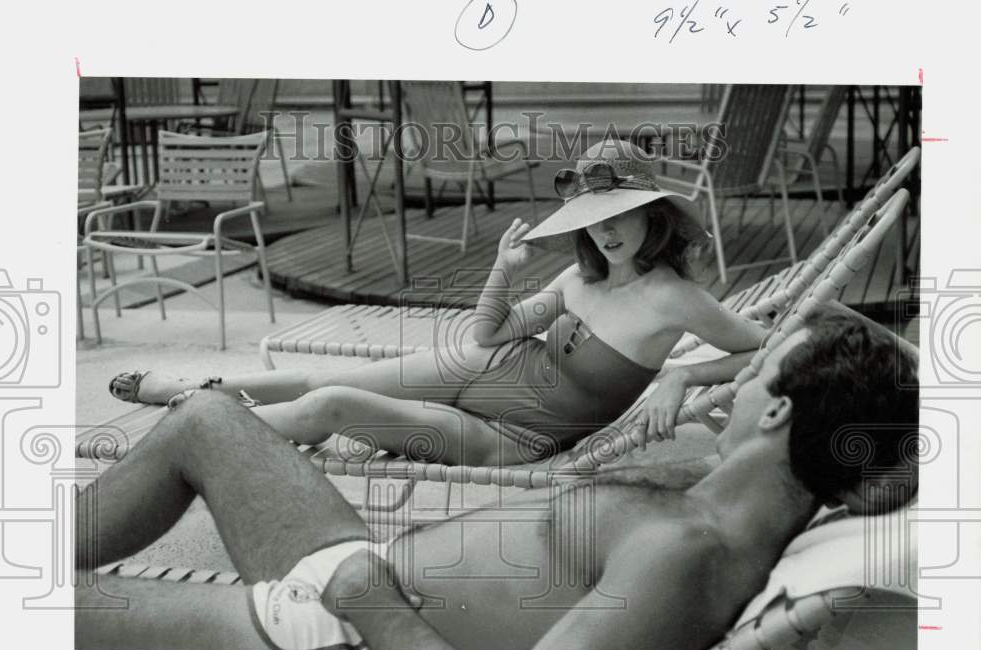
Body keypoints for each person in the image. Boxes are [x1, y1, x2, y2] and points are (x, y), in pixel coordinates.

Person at [75, 306, 918, 650]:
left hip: (344, 636)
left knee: (50, 609)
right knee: (207, 418)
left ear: (778, 417)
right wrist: (679, 383)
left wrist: (369, 600)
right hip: (358, 575)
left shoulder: (690, 552)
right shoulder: (721, 493)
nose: (727, 381)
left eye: (756, 371)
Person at [105, 139, 767, 466]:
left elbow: (761, 346)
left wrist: (680, 374)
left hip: (513, 434)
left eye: (620, 214)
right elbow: (488, 337)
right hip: (481, 369)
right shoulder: (576, 283)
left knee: (329, 406)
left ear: (653, 214)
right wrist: (501, 273)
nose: (607, 230)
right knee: (317, 376)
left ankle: (187, 433)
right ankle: (189, 391)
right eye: (594, 218)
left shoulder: (676, 299)